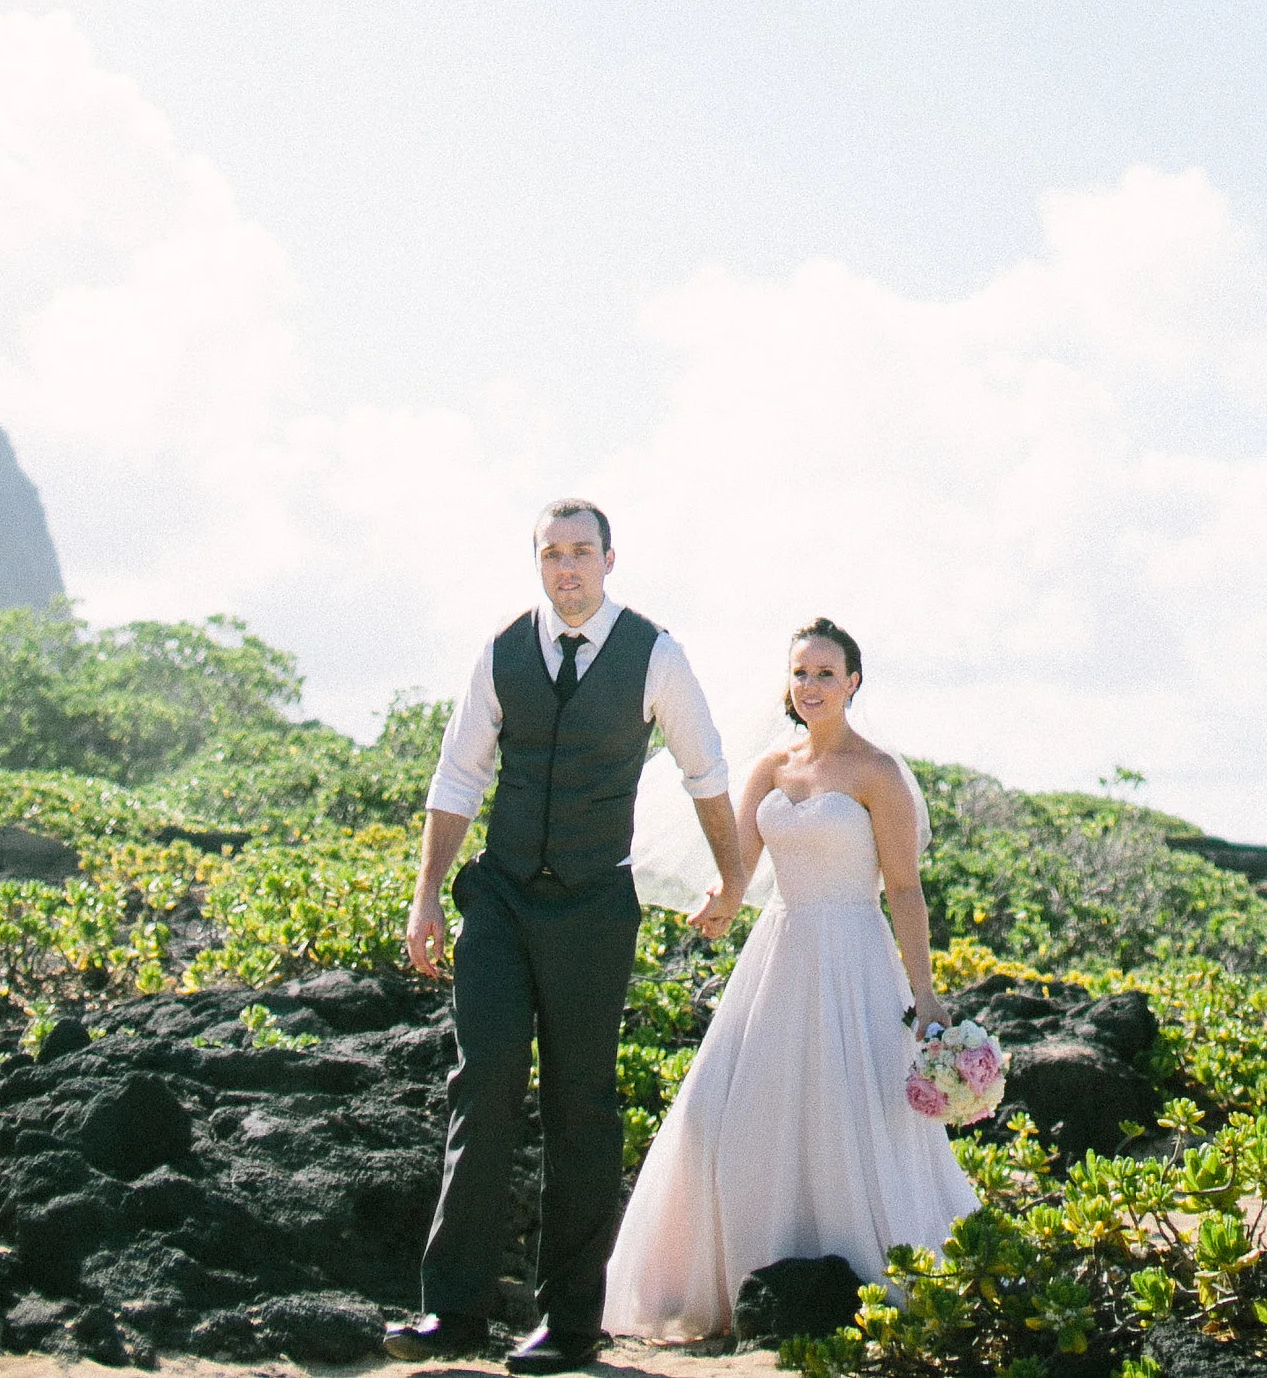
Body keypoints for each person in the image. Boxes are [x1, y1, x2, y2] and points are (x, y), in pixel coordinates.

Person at [388, 501, 748, 1372]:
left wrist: (732, 879)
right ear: (537, 564)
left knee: (580, 1105)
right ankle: (455, 1312)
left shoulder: (655, 653)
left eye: (581, 553)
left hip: (593, 907)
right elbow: (460, 772)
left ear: (610, 559)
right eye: (552, 555)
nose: (567, 569)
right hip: (502, 902)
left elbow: (705, 771)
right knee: (483, 1086)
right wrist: (427, 893)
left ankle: (570, 1325)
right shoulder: (501, 650)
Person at [603, 617, 979, 1341]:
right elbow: (737, 866)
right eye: (800, 673)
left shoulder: (878, 773)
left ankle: (869, 1280)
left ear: (853, 683)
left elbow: (903, 889)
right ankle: (727, 1279)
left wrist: (925, 993)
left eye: (825, 673)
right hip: (779, 949)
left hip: (853, 956)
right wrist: (719, 904)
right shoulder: (771, 767)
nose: (810, 686)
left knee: (853, 1113)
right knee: (722, 1113)